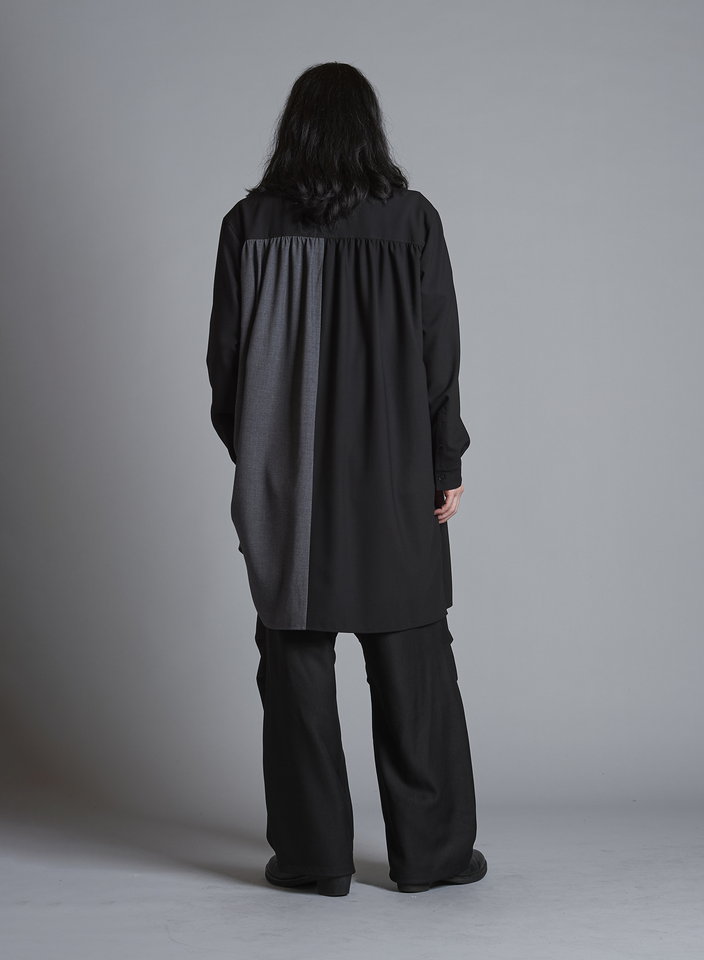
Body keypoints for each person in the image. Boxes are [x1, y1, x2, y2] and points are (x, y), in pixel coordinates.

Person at [206, 61, 486, 897]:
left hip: (288, 484)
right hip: (394, 477)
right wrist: (444, 460)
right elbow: (439, 354)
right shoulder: (412, 219)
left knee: (295, 662)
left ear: (292, 130)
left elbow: (226, 364)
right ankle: (432, 856)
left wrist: (258, 460)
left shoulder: (248, 224)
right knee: (413, 662)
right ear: (370, 129)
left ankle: (313, 859)